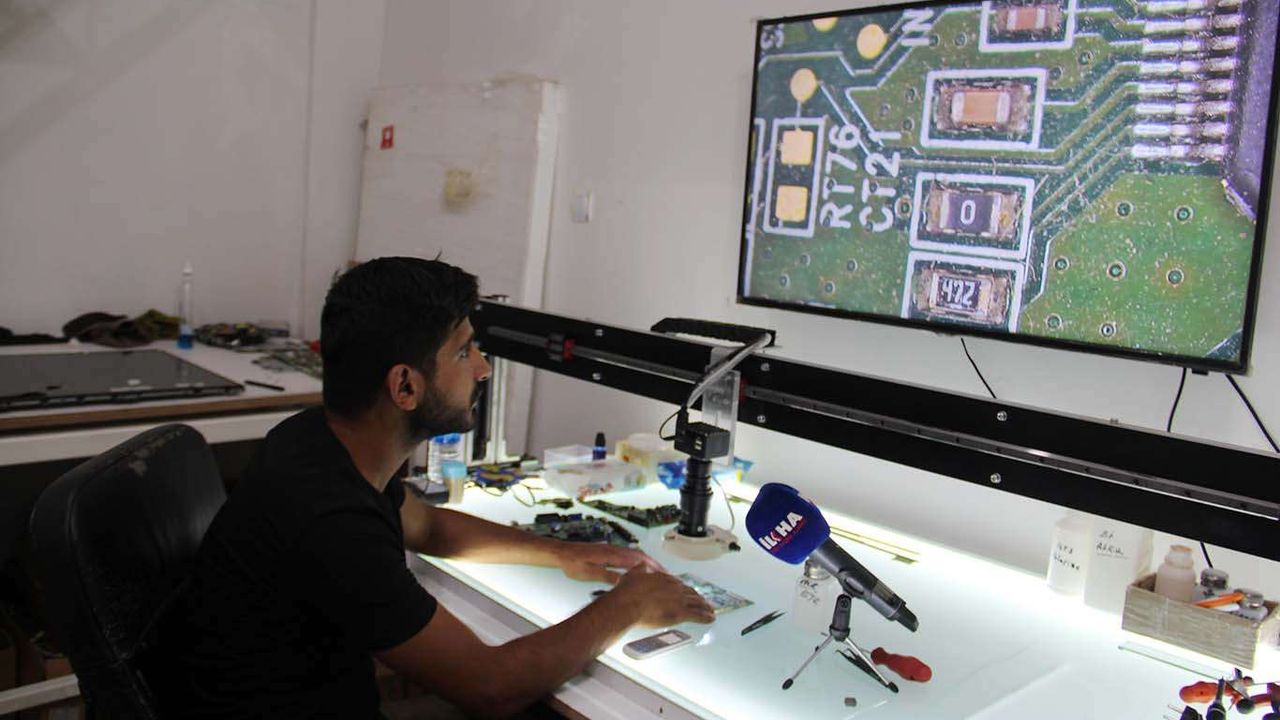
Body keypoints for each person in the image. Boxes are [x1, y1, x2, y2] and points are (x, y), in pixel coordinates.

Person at [152, 257, 715, 719]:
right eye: (464, 352)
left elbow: (427, 524)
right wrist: (627, 606)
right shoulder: (331, 521)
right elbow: (490, 687)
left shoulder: (316, 441)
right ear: (405, 386)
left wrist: (562, 554)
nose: (483, 369)